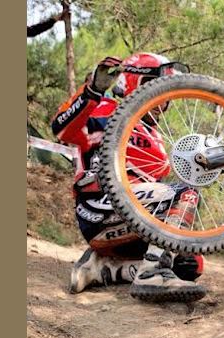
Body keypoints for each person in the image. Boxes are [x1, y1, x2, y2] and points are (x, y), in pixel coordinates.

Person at [51, 53, 206, 302]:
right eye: (157, 88)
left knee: (190, 264)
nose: (164, 101)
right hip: (99, 208)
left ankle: (102, 268)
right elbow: (61, 130)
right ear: (136, 83)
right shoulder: (105, 110)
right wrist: (93, 90)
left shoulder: (155, 138)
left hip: (131, 218)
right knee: (185, 193)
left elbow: (156, 190)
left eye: (167, 95)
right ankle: (151, 273)